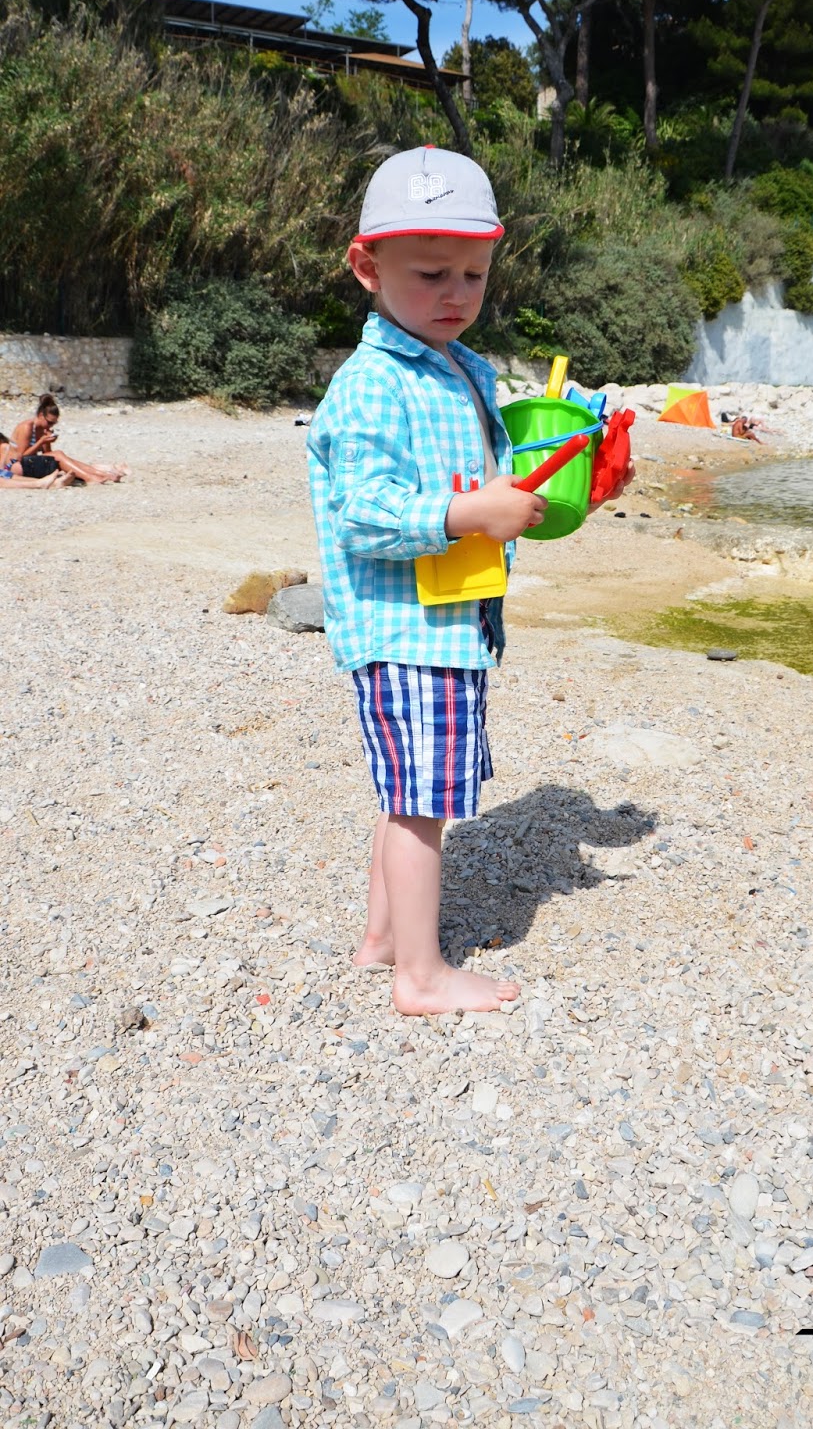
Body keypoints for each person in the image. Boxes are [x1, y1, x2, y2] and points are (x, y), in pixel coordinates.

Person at [307, 146, 633, 1017]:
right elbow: (362, 514)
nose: (454, 293)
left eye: (473, 274)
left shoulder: (461, 365)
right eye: (429, 274)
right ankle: (420, 976)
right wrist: (467, 513)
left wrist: (580, 482)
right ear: (367, 267)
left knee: (407, 795)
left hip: (449, 619)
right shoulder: (372, 384)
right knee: (421, 805)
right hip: (404, 624)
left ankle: (383, 941)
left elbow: (502, 483)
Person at [9, 394, 128, 483]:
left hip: (29, 464)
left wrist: (48, 442)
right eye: (49, 422)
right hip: (15, 467)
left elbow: (48, 454)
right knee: (59, 455)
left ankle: (100, 473)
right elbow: (21, 456)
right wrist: (41, 441)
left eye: (54, 423)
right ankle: (89, 477)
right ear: (40, 415)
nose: (51, 426)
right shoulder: (27, 427)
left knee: (61, 456)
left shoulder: (43, 429)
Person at [0, 431, 70, 487]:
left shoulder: (4, 447)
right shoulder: (5, 446)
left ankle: (51, 482)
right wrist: (41, 441)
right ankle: (41, 483)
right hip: (17, 467)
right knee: (5, 475)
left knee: (7, 475)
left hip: (15, 468)